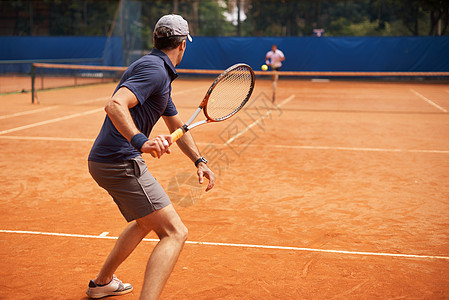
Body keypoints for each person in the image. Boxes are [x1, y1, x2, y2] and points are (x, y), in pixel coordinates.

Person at [86, 14, 215, 299]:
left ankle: (102, 282)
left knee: (145, 221)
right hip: (120, 161)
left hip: (108, 160)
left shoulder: (158, 74)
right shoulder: (155, 70)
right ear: (182, 44)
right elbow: (115, 105)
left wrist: (199, 161)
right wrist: (141, 141)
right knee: (175, 232)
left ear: (156, 39)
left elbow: (177, 126)